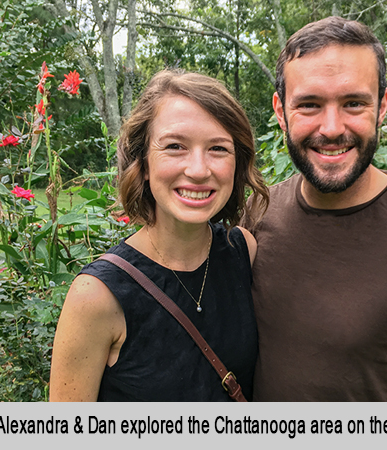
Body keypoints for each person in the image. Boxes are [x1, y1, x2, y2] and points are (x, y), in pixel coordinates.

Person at [246, 17, 387, 401]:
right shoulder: (255, 214)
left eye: (353, 103)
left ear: (383, 106)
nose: (333, 127)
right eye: (309, 104)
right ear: (280, 111)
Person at [49, 70, 269, 401]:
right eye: (175, 146)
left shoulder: (242, 253)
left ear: (237, 163)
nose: (198, 170)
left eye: (218, 149)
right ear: (144, 162)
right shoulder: (97, 296)